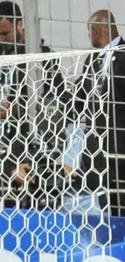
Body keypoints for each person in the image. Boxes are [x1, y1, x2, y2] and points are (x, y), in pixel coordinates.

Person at [76, 9, 125, 218]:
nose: (90, 37)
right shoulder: (92, 60)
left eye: (90, 32)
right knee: (107, 212)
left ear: (96, 31)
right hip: (100, 156)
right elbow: (80, 98)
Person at [0, 1, 69, 209]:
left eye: (5, 33)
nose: (1, 39)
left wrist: (16, 110)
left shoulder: (43, 57)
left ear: (20, 24)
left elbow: (56, 103)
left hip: (29, 149)